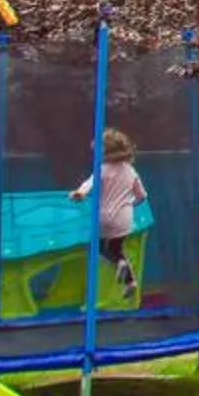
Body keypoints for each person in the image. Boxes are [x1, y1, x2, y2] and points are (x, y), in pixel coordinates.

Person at [70, 126, 151, 301]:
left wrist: (80, 193)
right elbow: (142, 196)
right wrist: (130, 204)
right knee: (116, 248)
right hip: (124, 218)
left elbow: (89, 184)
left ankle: (121, 267)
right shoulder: (131, 171)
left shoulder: (103, 169)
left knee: (100, 247)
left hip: (103, 216)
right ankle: (129, 279)